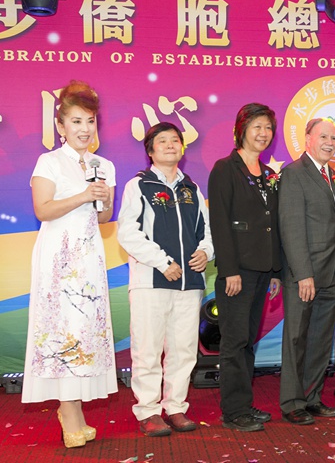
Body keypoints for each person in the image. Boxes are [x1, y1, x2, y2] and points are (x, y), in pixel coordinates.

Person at [22, 80, 117, 448]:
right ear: (60, 126)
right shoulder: (49, 161)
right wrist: (83, 195)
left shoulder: (103, 165)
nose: (84, 129)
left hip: (89, 257)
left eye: (90, 121)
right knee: (62, 330)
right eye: (76, 121)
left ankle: (74, 407)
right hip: (58, 259)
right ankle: (68, 410)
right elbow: (42, 209)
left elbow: (103, 217)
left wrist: (103, 200)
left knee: (85, 330)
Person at [117, 122, 214, 436]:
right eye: (162, 140)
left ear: (182, 148)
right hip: (152, 281)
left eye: (175, 140)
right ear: (150, 150)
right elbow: (128, 233)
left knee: (183, 349)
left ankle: (175, 408)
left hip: (190, 284)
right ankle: (148, 411)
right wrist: (162, 262)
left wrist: (206, 252)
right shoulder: (139, 186)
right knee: (147, 350)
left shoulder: (191, 188)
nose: (170, 145)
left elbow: (207, 231)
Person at [208, 103, 282, 432]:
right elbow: (220, 223)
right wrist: (229, 270)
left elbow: (273, 223)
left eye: (267, 127)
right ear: (241, 131)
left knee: (248, 340)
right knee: (235, 341)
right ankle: (234, 410)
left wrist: (276, 272)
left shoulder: (267, 174)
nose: (263, 133)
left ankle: (244, 404)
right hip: (237, 271)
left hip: (263, 269)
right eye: (256, 127)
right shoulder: (225, 169)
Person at [278, 117, 335, 425]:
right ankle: (292, 402)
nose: (330, 143)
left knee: (320, 340)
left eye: (334, 138)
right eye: (324, 137)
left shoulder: (330, 174)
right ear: (308, 139)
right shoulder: (294, 173)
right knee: (296, 339)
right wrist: (303, 273)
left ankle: (312, 397)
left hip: (331, 273)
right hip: (304, 275)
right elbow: (291, 227)